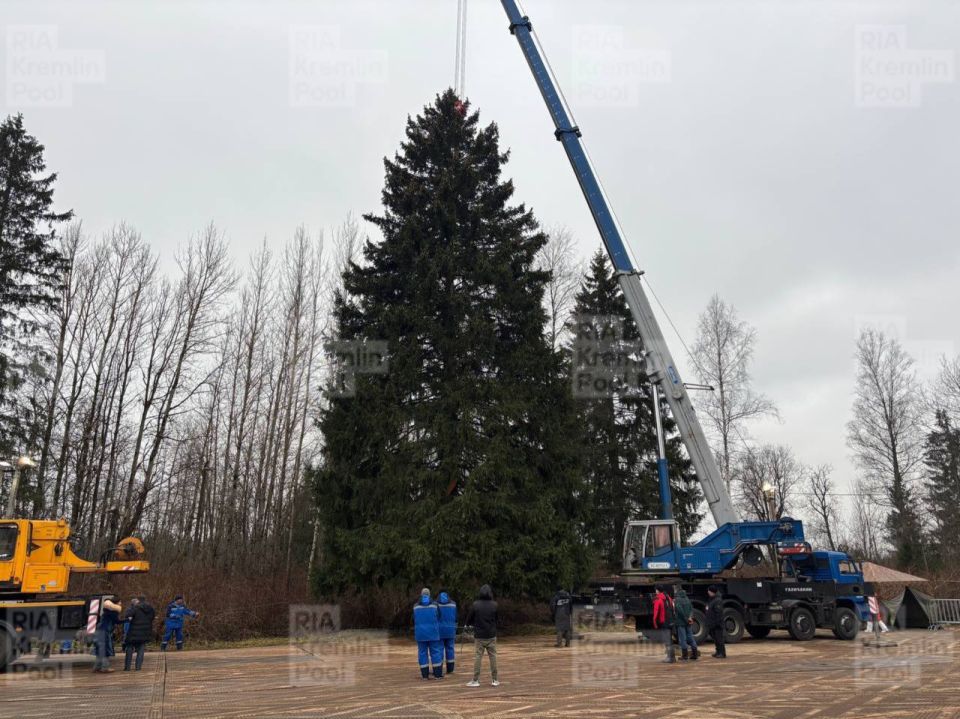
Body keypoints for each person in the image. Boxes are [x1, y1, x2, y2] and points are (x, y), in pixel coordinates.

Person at [465, 584, 499, 687]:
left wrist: (467, 625)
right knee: (493, 657)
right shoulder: (494, 605)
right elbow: (497, 620)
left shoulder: (476, 605)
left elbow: (469, 619)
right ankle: (495, 680)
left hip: (479, 636)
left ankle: (475, 680)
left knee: (478, 657)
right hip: (491, 635)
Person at [413, 587, 444, 679]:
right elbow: (439, 616)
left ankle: (425, 675)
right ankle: (437, 675)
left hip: (420, 634)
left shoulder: (415, 606)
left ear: (421, 595)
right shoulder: (435, 605)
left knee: (422, 653)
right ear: (429, 595)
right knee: (435, 653)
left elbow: (413, 619)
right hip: (433, 633)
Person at [123, 595, 156, 671]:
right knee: (141, 650)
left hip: (133, 632)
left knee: (129, 649)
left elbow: (127, 615)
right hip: (145, 632)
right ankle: (138, 668)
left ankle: (127, 668)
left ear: (138, 600)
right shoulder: (150, 609)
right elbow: (152, 618)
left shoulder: (135, 607)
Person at [93, 595, 122, 673]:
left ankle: (96, 667)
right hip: (105, 632)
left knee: (100, 650)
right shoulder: (113, 612)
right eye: (120, 602)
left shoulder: (106, 610)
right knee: (105, 650)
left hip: (99, 631)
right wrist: (127, 620)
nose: (121, 603)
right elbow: (117, 621)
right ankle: (105, 667)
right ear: (116, 603)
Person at [651, 585, 676, 663]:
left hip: (664, 622)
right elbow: (673, 608)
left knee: (667, 640)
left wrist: (655, 623)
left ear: (658, 591)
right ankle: (673, 657)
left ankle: (669, 658)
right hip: (671, 621)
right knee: (670, 640)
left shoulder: (658, 599)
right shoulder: (668, 598)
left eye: (656, 590)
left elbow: (656, 612)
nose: (655, 591)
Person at [673, 588, 699, 661]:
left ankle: (685, 656)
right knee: (690, 637)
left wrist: (685, 618)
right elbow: (691, 609)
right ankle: (695, 655)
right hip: (689, 622)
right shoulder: (687, 599)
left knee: (682, 639)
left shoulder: (677, 600)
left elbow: (679, 609)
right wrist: (690, 618)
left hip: (681, 622)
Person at [437, 591, 457, 674]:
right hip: (450, 630)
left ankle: (439, 669)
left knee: (439, 650)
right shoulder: (453, 604)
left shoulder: (435, 605)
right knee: (450, 649)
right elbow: (456, 617)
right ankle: (450, 669)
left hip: (439, 631)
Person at [705, 585, 726, 659]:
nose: (708, 592)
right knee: (716, 639)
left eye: (709, 591)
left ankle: (722, 653)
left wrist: (717, 623)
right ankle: (718, 652)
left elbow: (719, 613)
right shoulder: (712, 599)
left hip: (717, 624)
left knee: (719, 639)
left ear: (712, 592)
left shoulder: (717, 600)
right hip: (712, 623)